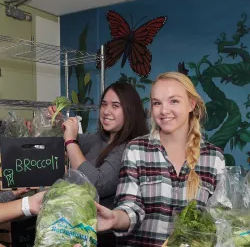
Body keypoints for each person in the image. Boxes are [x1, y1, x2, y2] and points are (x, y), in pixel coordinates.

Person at [94, 72, 226, 246]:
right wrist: (114, 218)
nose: (164, 110)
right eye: (157, 103)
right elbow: (130, 207)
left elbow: (219, 219)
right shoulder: (136, 149)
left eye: (174, 101)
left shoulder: (214, 157)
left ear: (191, 104)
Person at [48, 81, 149, 246]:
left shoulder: (129, 148)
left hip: (104, 236)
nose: (106, 111)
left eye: (115, 106)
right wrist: (58, 123)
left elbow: (96, 184)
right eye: (104, 104)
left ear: (130, 111)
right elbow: (64, 140)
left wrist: (71, 141)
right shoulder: (99, 139)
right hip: (77, 229)